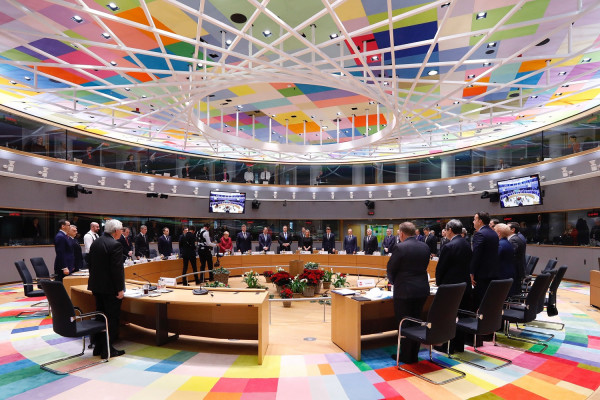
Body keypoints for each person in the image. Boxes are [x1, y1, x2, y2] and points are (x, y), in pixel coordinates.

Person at [386, 222, 430, 364]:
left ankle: (406, 356)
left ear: (401, 233)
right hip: (422, 289)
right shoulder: (424, 246)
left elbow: (391, 269)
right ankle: (413, 354)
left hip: (404, 290)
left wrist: (394, 282)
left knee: (404, 323)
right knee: (416, 321)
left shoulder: (400, 247)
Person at [87, 219, 126, 359]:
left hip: (97, 286)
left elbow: (90, 263)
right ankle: (108, 349)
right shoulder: (115, 245)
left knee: (100, 317)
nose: (122, 232)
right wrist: (120, 289)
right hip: (110, 289)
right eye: (121, 229)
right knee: (112, 319)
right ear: (116, 231)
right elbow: (117, 270)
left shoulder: (96, 242)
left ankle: (98, 347)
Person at [435, 219, 472, 353]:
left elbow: (441, 268)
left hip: (450, 287)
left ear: (450, 230)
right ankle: (459, 346)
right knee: (461, 316)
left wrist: (439, 283)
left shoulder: (449, 246)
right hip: (465, 285)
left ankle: (447, 346)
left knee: (448, 316)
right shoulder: (467, 244)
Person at [470, 211, 499, 309]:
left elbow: (476, 254)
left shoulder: (479, 234)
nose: (473, 222)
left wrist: (472, 272)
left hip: (481, 274)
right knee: (488, 301)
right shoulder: (494, 233)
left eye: (474, 219)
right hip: (492, 272)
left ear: (480, 221)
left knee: (479, 302)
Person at [494, 224, 519, 296]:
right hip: (509, 273)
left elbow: (495, 259)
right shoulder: (507, 242)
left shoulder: (500, 244)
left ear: (498, 233)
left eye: (494, 231)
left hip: (502, 274)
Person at [507, 222, 526, 294]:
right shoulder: (515, 238)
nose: (505, 229)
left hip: (515, 269)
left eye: (507, 228)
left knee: (514, 289)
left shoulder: (513, 239)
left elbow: (511, 255)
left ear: (513, 230)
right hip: (517, 268)